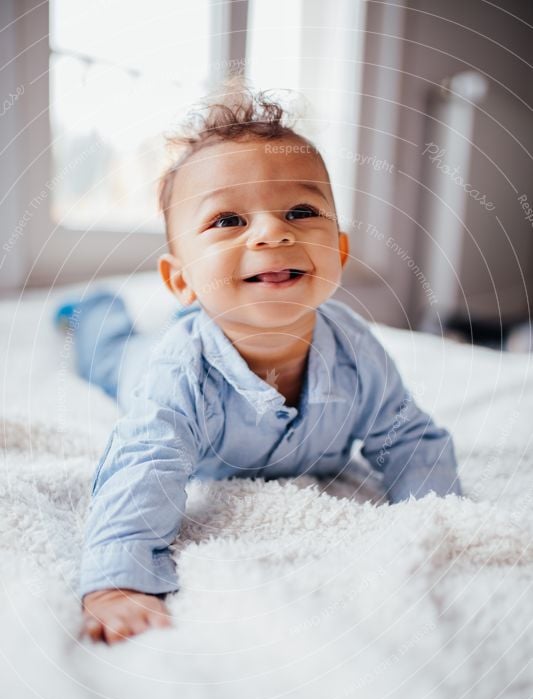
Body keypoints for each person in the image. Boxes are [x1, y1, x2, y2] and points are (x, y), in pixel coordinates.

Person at [57, 83, 461, 645]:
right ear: (182, 280)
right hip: (139, 364)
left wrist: (439, 519)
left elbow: (408, 436)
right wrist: (120, 581)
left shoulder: (356, 349)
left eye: (301, 210)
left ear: (339, 254)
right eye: (228, 220)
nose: (274, 232)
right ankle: (92, 308)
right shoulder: (180, 371)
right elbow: (143, 463)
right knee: (108, 350)